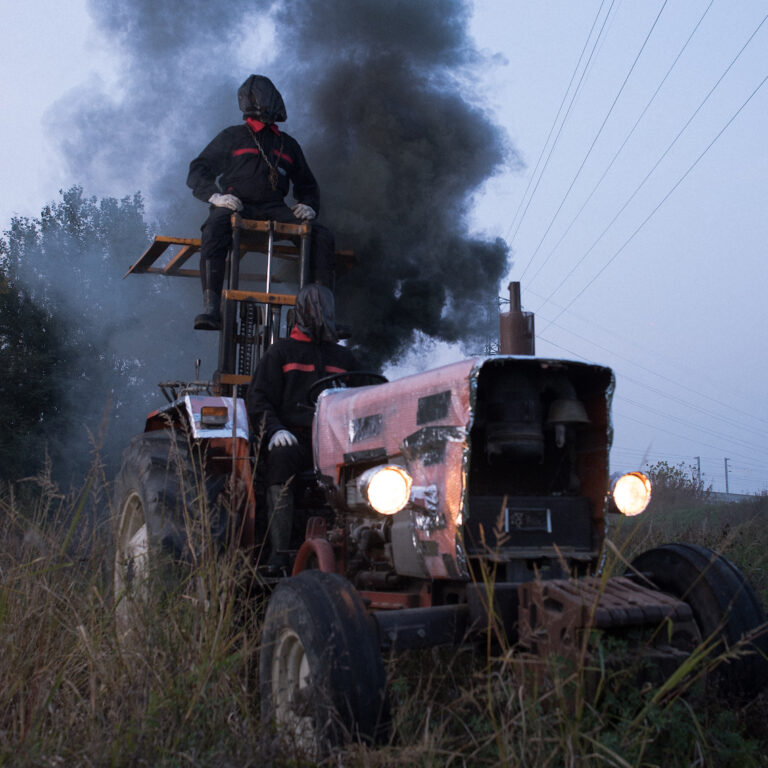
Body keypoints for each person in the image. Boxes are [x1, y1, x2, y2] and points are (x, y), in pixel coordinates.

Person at [187, 74, 335, 330]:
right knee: (213, 228)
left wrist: (309, 205)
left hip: (274, 208)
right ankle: (211, 309)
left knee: (321, 235)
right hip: (238, 206)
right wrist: (216, 197)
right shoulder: (233, 136)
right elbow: (198, 169)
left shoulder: (288, 145)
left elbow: (307, 184)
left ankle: (322, 317)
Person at [246, 284, 360, 572]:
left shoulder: (344, 359)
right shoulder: (281, 353)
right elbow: (258, 399)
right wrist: (274, 430)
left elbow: (364, 396)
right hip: (292, 438)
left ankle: (360, 547)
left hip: (334, 442)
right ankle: (280, 553)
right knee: (282, 459)